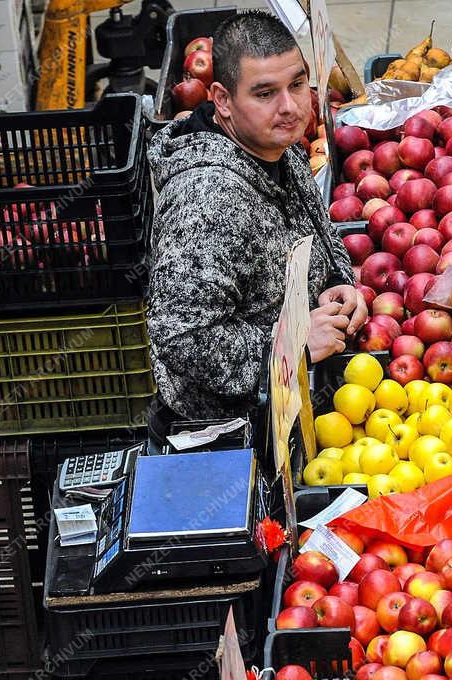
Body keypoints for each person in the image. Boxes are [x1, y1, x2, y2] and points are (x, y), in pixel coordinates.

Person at [146, 11, 365, 441]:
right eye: (265, 93)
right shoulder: (208, 202)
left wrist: (338, 278)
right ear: (222, 100)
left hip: (296, 405)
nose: (290, 107)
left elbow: (315, 227)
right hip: (234, 432)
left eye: (297, 85)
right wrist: (291, 346)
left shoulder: (276, 149)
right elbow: (180, 335)